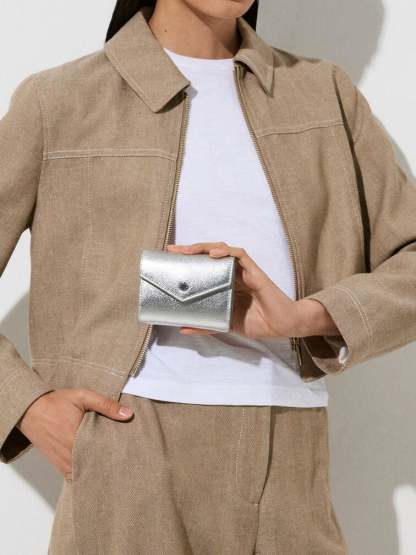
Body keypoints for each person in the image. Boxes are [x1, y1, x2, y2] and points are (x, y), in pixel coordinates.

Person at [0, 0, 415, 553]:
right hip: (130, 445)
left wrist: (305, 316)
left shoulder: (325, 94)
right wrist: (26, 406)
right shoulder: (61, 100)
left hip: (291, 452)